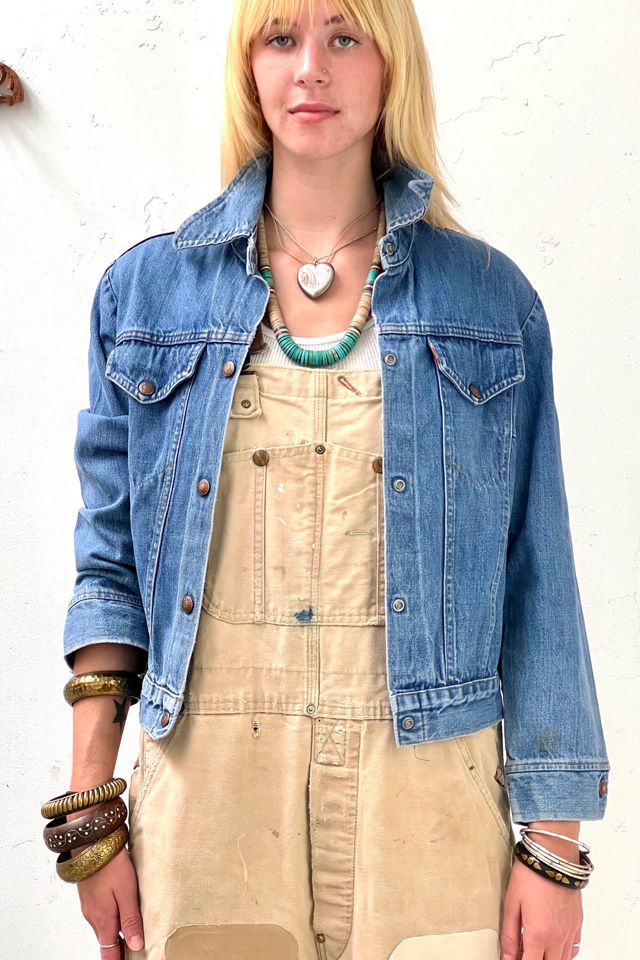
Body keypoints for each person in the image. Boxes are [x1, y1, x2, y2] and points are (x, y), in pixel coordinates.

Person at [40, 1, 610, 958]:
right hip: (210, 792)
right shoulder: (147, 297)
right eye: (281, 38)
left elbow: (537, 575)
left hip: (428, 789)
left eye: (345, 37)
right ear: (249, 67)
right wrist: (90, 813)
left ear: (392, 67)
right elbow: (110, 568)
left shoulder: (489, 301)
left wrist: (554, 846)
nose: (311, 67)